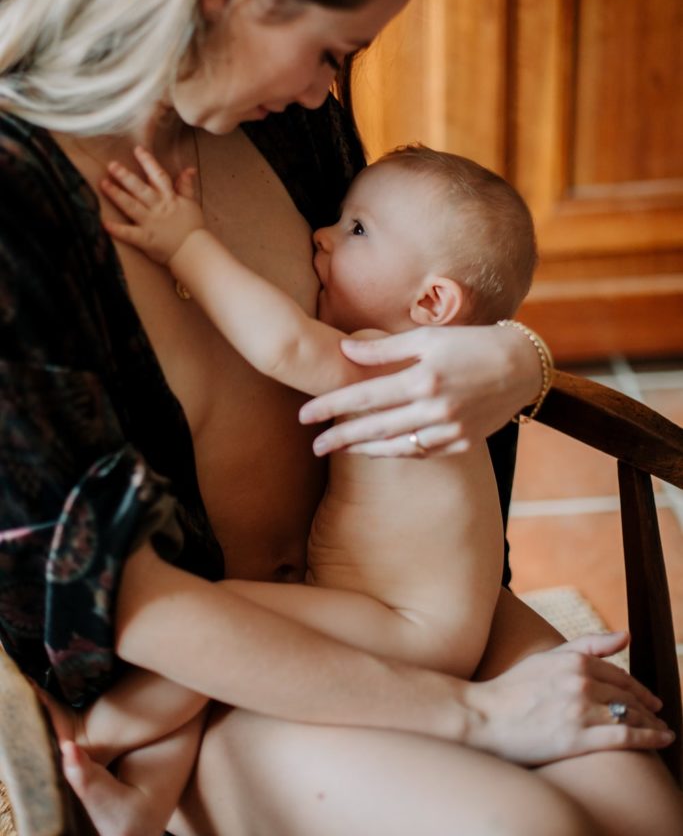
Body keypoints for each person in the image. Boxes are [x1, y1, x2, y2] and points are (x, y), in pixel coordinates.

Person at [0, 0, 679, 835]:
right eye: (329, 50)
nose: (330, 87)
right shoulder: (18, 203)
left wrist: (515, 357)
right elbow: (119, 598)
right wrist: (472, 715)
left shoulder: (277, 115)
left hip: (382, 591)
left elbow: (404, 301)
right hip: (211, 658)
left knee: (640, 808)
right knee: (522, 827)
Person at [43, 143, 533, 833]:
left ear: (429, 300)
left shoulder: (392, 367)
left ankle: (93, 736)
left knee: (224, 616)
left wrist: (186, 242)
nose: (322, 234)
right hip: (395, 609)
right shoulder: (433, 373)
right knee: (220, 662)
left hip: (412, 625)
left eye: (357, 230)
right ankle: (140, 807)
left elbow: (281, 346)